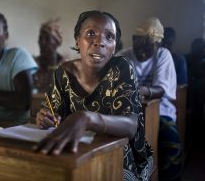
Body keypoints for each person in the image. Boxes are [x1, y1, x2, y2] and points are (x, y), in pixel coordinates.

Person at [35, 10, 153, 181]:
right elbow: (53, 115)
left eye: (109, 37)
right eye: (91, 33)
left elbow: (131, 125)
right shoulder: (63, 72)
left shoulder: (121, 67)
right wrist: (44, 117)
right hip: (76, 152)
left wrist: (87, 118)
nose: (100, 42)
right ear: (77, 40)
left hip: (121, 155)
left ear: (114, 47)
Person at [118, 17, 183, 181]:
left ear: (158, 46)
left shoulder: (163, 55)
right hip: (129, 111)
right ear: (133, 40)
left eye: (148, 50)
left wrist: (140, 90)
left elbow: (161, 89)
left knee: (171, 142)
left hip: (161, 110)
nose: (141, 54)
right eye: (138, 47)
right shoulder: (124, 56)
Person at [33, 18, 66, 93]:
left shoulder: (67, 66)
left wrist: (52, 65)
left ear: (57, 42)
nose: (42, 42)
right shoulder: (32, 64)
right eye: (40, 38)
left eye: (47, 38)